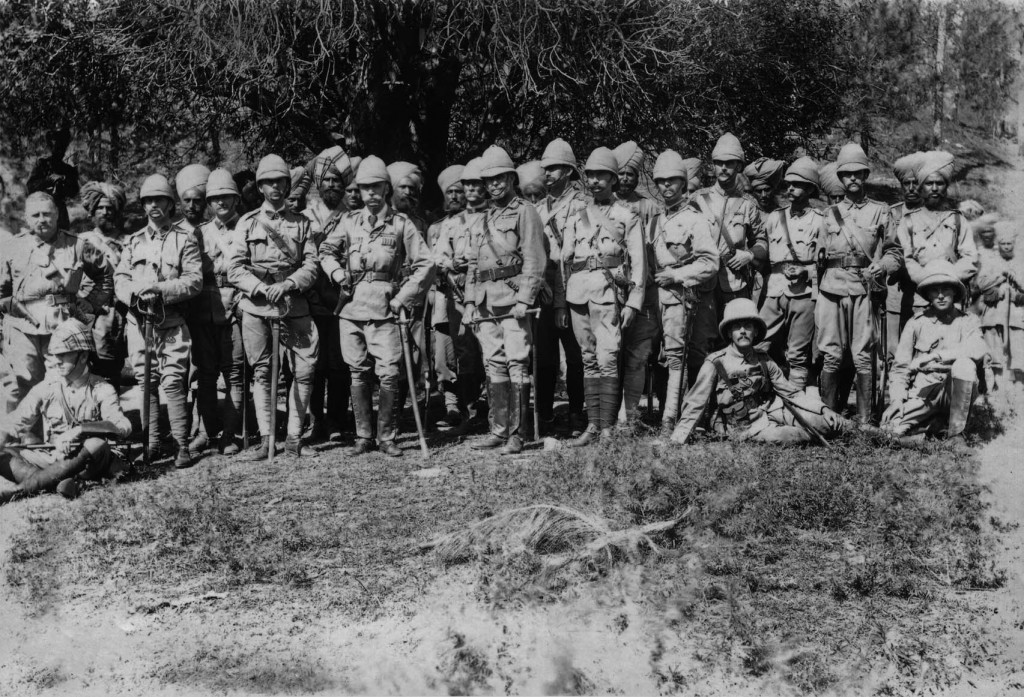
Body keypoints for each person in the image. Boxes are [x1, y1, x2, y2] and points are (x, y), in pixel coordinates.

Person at [319, 155, 434, 457]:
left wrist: (403, 298)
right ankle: (363, 436)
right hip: (352, 308)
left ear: (386, 188)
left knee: (388, 373)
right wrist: (337, 273)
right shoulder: (348, 221)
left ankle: (387, 437)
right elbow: (325, 251)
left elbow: (426, 264)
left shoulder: (401, 224)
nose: (370, 192)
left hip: (386, 309)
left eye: (376, 186)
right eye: (364, 187)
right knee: (357, 372)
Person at [227, 155, 321, 459]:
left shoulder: (302, 223)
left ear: (287, 184)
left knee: (304, 370)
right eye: (268, 182)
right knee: (263, 371)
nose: (275, 187)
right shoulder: (248, 222)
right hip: (257, 306)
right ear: (260, 187)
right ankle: (267, 438)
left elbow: (312, 264)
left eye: (280, 181)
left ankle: (294, 437)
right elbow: (234, 268)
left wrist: (289, 283)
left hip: (294, 304)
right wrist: (261, 288)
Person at [670, 298, 845, 445]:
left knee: (827, 423)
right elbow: (696, 402)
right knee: (788, 436)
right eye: (737, 327)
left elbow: (791, 393)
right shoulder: (716, 362)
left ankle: (852, 429)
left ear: (755, 332)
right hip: (741, 423)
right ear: (729, 333)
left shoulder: (763, 358)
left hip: (773, 410)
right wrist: (678, 438)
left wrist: (823, 409)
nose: (743, 331)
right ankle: (811, 436)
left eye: (748, 326)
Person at [463, 145, 546, 454]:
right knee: (494, 363)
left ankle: (518, 433)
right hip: (486, 301)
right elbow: (473, 266)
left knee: (516, 364)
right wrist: (469, 303)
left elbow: (534, 258)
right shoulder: (483, 218)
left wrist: (525, 298)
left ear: (512, 179)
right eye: (489, 180)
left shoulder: (525, 211)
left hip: (513, 300)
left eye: (500, 178)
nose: (494, 184)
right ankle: (498, 430)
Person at [114, 175, 202, 468]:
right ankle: (151, 444)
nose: (153, 206)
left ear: (170, 204)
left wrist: (160, 290)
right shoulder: (133, 241)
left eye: (159, 200)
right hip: (140, 322)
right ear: (143, 205)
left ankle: (181, 446)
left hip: (171, 320)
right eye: (148, 201)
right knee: (146, 381)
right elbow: (120, 279)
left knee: (174, 381)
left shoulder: (184, 238)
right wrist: (136, 293)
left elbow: (194, 280)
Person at [561, 147, 645, 445]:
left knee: (607, 357)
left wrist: (633, 302)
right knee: (588, 358)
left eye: (601, 176)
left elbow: (639, 264)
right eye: (591, 176)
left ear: (613, 179)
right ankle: (593, 426)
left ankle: (607, 428)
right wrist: (563, 299)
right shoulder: (576, 215)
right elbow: (565, 259)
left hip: (609, 294)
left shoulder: (626, 215)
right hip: (578, 294)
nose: (595, 181)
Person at [1, 192, 112, 415]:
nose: (42, 219)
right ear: (26, 218)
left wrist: (90, 304)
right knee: (24, 386)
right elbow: (2, 292)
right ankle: (27, 436)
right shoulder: (11, 247)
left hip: (63, 323)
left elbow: (106, 275)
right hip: (22, 328)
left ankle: (62, 433)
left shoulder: (77, 245)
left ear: (57, 214)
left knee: (64, 383)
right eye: (35, 215)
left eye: (47, 214)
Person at [0, 319, 132, 503]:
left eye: (63, 355)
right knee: (4, 452)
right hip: (54, 458)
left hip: (87, 461)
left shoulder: (101, 388)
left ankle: (19, 491)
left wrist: (80, 430)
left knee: (96, 444)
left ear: (83, 356)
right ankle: (58, 483)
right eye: (54, 355)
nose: (56, 361)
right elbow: (16, 421)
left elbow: (123, 426)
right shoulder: (46, 388)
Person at [817, 143, 902, 424]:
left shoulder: (880, 211)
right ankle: (829, 419)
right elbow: (819, 258)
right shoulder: (828, 214)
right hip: (831, 290)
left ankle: (865, 422)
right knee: (831, 354)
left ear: (865, 175)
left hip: (863, 289)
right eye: (847, 174)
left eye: (858, 173)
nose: (852, 178)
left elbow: (894, 252)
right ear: (840, 178)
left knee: (863, 355)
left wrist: (883, 266)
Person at [649, 149, 719, 430]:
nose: (667, 185)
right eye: (661, 181)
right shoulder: (655, 220)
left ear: (683, 183)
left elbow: (710, 262)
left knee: (677, 357)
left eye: (673, 180)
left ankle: (671, 418)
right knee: (658, 356)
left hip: (680, 296)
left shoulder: (695, 219)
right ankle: (662, 412)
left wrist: (677, 275)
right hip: (655, 299)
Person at [883, 260, 987, 441]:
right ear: (927, 294)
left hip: (954, 392)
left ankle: (956, 434)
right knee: (888, 430)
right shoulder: (916, 323)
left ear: (954, 292)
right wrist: (897, 400)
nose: (940, 296)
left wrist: (936, 356)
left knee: (964, 365)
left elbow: (977, 348)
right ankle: (934, 425)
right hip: (924, 393)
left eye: (946, 289)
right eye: (934, 290)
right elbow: (900, 368)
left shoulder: (968, 321)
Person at [189, 169, 245, 455]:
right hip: (204, 309)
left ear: (236, 199)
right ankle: (206, 432)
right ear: (209, 203)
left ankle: (231, 434)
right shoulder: (200, 232)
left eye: (226, 196)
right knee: (206, 374)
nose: (221, 202)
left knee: (234, 373)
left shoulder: (247, 226)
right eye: (215, 198)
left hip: (237, 306)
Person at [534, 138, 587, 435]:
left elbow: (575, 255)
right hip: (543, 286)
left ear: (568, 171)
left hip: (572, 284)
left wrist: (562, 302)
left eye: (554, 168)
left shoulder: (581, 206)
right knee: (544, 356)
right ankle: (544, 415)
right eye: (545, 168)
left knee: (576, 356)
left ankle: (577, 413)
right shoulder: (537, 208)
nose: (548, 173)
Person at [302, 146, 355, 443]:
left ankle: (336, 420)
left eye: (337, 180)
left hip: (343, 298)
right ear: (318, 184)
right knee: (313, 363)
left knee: (339, 362)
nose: (332, 185)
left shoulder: (353, 217)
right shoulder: (303, 217)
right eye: (327, 180)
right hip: (309, 297)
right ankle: (315, 420)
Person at [758, 157, 824, 389]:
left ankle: (795, 399)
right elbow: (764, 253)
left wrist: (806, 271)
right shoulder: (775, 218)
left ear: (810, 189)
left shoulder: (820, 221)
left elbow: (826, 263)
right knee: (759, 344)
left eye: (797, 185)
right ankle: (764, 394)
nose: (790, 189)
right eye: (788, 185)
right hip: (774, 290)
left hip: (803, 293)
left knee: (798, 353)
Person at [894, 151, 979, 326]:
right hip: (918, 298)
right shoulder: (908, 222)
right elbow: (906, 258)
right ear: (921, 187)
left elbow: (970, 257)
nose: (934, 188)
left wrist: (949, 279)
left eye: (939, 183)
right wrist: (925, 279)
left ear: (946, 187)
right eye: (929, 183)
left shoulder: (958, 220)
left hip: (950, 298)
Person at [434, 158, 488, 432]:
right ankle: (470, 411)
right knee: (464, 351)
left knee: (490, 350)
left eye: (476, 184)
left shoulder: (493, 217)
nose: (470, 190)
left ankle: (493, 410)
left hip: (488, 291)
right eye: (467, 185)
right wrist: (451, 266)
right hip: (457, 292)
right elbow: (439, 257)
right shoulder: (452, 224)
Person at [611, 141, 661, 432]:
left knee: (638, 355)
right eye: (621, 173)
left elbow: (657, 247)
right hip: (609, 291)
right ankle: (605, 414)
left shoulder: (650, 207)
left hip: (644, 290)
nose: (626, 179)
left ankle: (629, 416)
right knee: (609, 354)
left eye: (631, 173)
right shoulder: (603, 206)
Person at [428, 164, 469, 426]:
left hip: (471, 296)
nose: (454, 196)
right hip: (444, 298)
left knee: (471, 352)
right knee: (444, 356)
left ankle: (473, 405)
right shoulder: (435, 228)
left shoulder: (477, 220)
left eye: (459, 191)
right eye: (449, 192)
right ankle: (452, 406)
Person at [79, 182, 129, 389]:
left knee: (114, 369)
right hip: (92, 311)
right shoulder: (82, 241)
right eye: (100, 207)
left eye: (110, 207)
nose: (105, 212)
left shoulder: (128, 241)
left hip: (122, 311)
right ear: (91, 211)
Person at [885, 152, 927, 364]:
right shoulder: (891, 214)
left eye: (916, 183)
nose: (911, 188)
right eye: (906, 183)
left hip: (923, 292)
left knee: (922, 347)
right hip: (895, 291)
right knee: (892, 349)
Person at [975, 223, 1024, 384]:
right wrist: (1000, 277)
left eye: (1009, 243)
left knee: (1018, 353)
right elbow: (981, 284)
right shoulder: (991, 261)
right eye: (1003, 243)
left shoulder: (1020, 262)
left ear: (1014, 244)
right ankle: (995, 387)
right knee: (995, 353)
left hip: (1016, 316)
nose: (1006, 247)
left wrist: (1017, 280)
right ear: (998, 244)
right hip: (994, 314)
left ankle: (1018, 389)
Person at [26, 128, 79, 231]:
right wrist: (48, 180)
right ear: (51, 147)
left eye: (63, 148)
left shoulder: (68, 169)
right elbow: (30, 187)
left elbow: (74, 191)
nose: (60, 151)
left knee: (63, 236)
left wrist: (63, 179)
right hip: (42, 208)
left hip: (60, 212)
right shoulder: (42, 164)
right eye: (57, 148)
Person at [175, 164, 210, 233]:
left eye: (197, 201)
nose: (191, 206)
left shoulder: (214, 229)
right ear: (180, 202)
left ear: (205, 202)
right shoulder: (173, 231)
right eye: (187, 200)